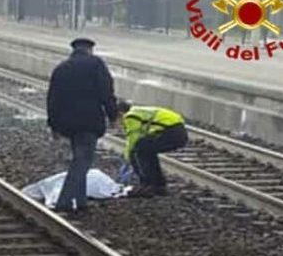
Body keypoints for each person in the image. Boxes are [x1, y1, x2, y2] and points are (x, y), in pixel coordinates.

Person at [47, 38, 118, 213]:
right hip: (89, 121)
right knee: (82, 162)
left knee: (79, 158)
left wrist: (54, 125)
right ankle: (64, 201)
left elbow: (52, 100)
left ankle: (81, 202)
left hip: (67, 123)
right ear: (90, 50)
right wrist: (113, 115)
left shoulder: (61, 68)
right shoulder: (96, 64)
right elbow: (106, 92)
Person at [118, 100, 188, 197]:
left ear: (120, 113)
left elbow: (133, 138)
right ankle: (158, 185)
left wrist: (128, 156)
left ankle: (149, 184)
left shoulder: (130, 116)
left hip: (171, 132)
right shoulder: (138, 111)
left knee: (140, 149)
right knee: (147, 150)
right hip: (178, 131)